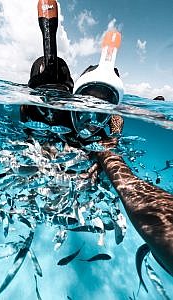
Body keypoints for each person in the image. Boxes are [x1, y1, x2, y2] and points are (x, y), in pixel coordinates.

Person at [20, 0, 173, 277]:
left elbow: (126, 180)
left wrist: (107, 155)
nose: (89, 120)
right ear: (72, 96)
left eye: (101, 109)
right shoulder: (42, 113)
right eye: (82, 106)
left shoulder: (108, 132)